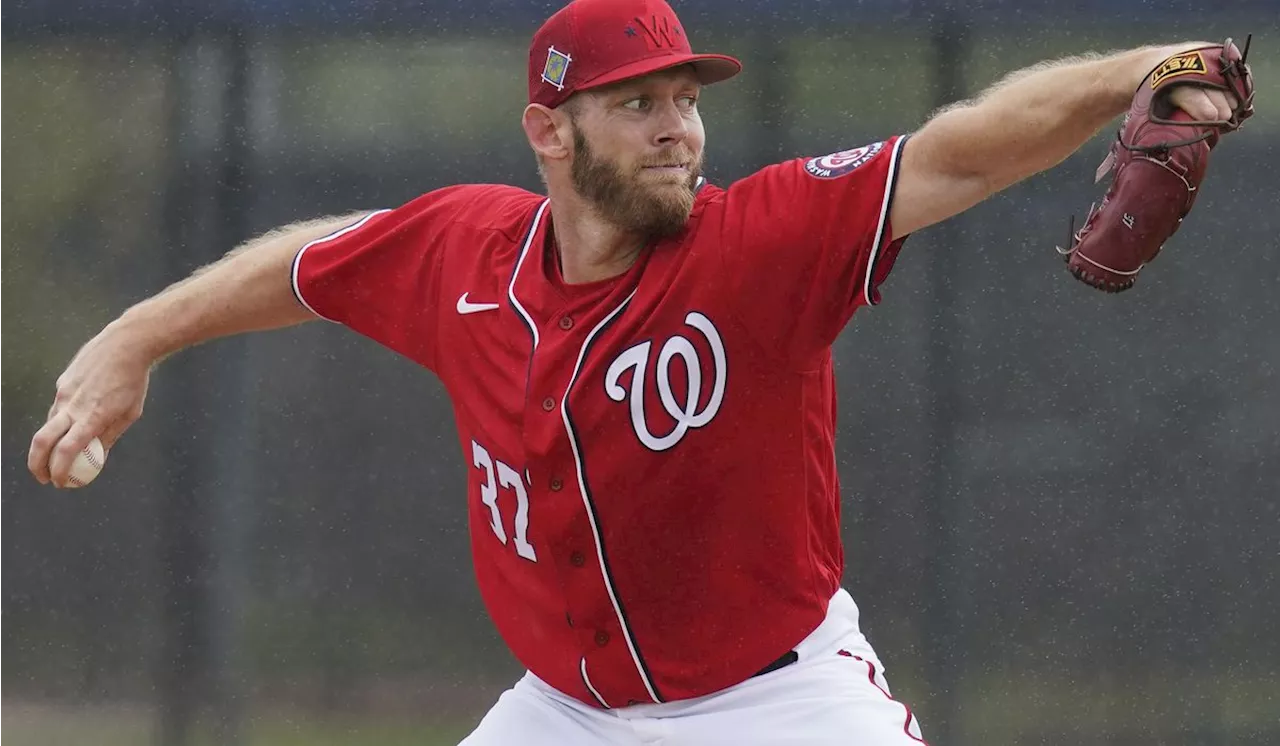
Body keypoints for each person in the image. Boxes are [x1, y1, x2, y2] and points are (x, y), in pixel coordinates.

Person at [28, 0, 1243, 743]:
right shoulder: (466, 251)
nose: (678, 127)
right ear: (547, 132)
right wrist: (136, 337)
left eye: (684, 98)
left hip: (774, 704)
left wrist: (1135, 68)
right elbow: (306, 262)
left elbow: (960, 148)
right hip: (563, 712)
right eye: (635, 104)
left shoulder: (757, 243)